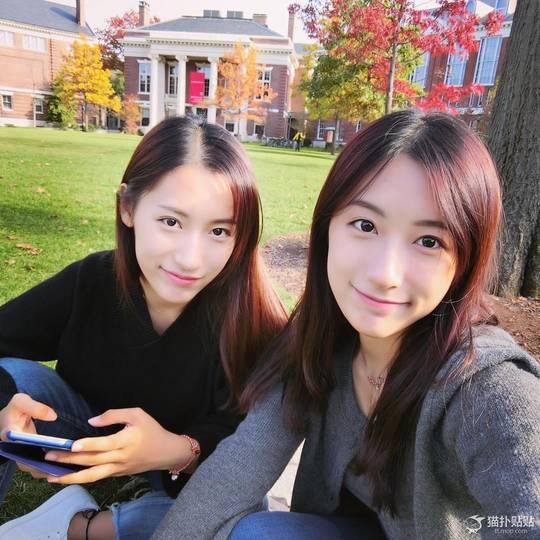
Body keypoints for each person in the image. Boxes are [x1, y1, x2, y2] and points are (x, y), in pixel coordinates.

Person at [151, 110, 540, 540]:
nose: (384, 273)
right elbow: (237, 469)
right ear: (326, 230)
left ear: (465, 260)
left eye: (429, 241)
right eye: (366, 225)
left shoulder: (490, 390)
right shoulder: (321, 344)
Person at [0, 116, 286, 539]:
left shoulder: (256, 321)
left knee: (243, 521)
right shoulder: (93, 280)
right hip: (86, 438)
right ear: (128, 208)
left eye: (219, 231)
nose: (190, 258)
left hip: (182, 471)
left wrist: (177, 450)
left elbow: (245, 450)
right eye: (171, 222)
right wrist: (6, 412)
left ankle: (81, 526)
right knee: (12, 379)